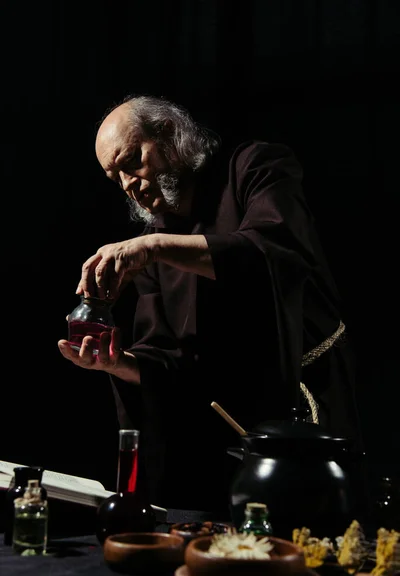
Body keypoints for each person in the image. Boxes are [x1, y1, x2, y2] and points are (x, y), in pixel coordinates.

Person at [58, 94, 362, 516]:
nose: (127, 183)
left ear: (167, 134)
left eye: (132, 161)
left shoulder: (256, 168)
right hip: (216, 429)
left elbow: (273, 252)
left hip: (303, 403)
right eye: (116, 177)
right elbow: (166, 356)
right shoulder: (155, 242)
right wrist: (118, 364)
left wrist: (155, 247)